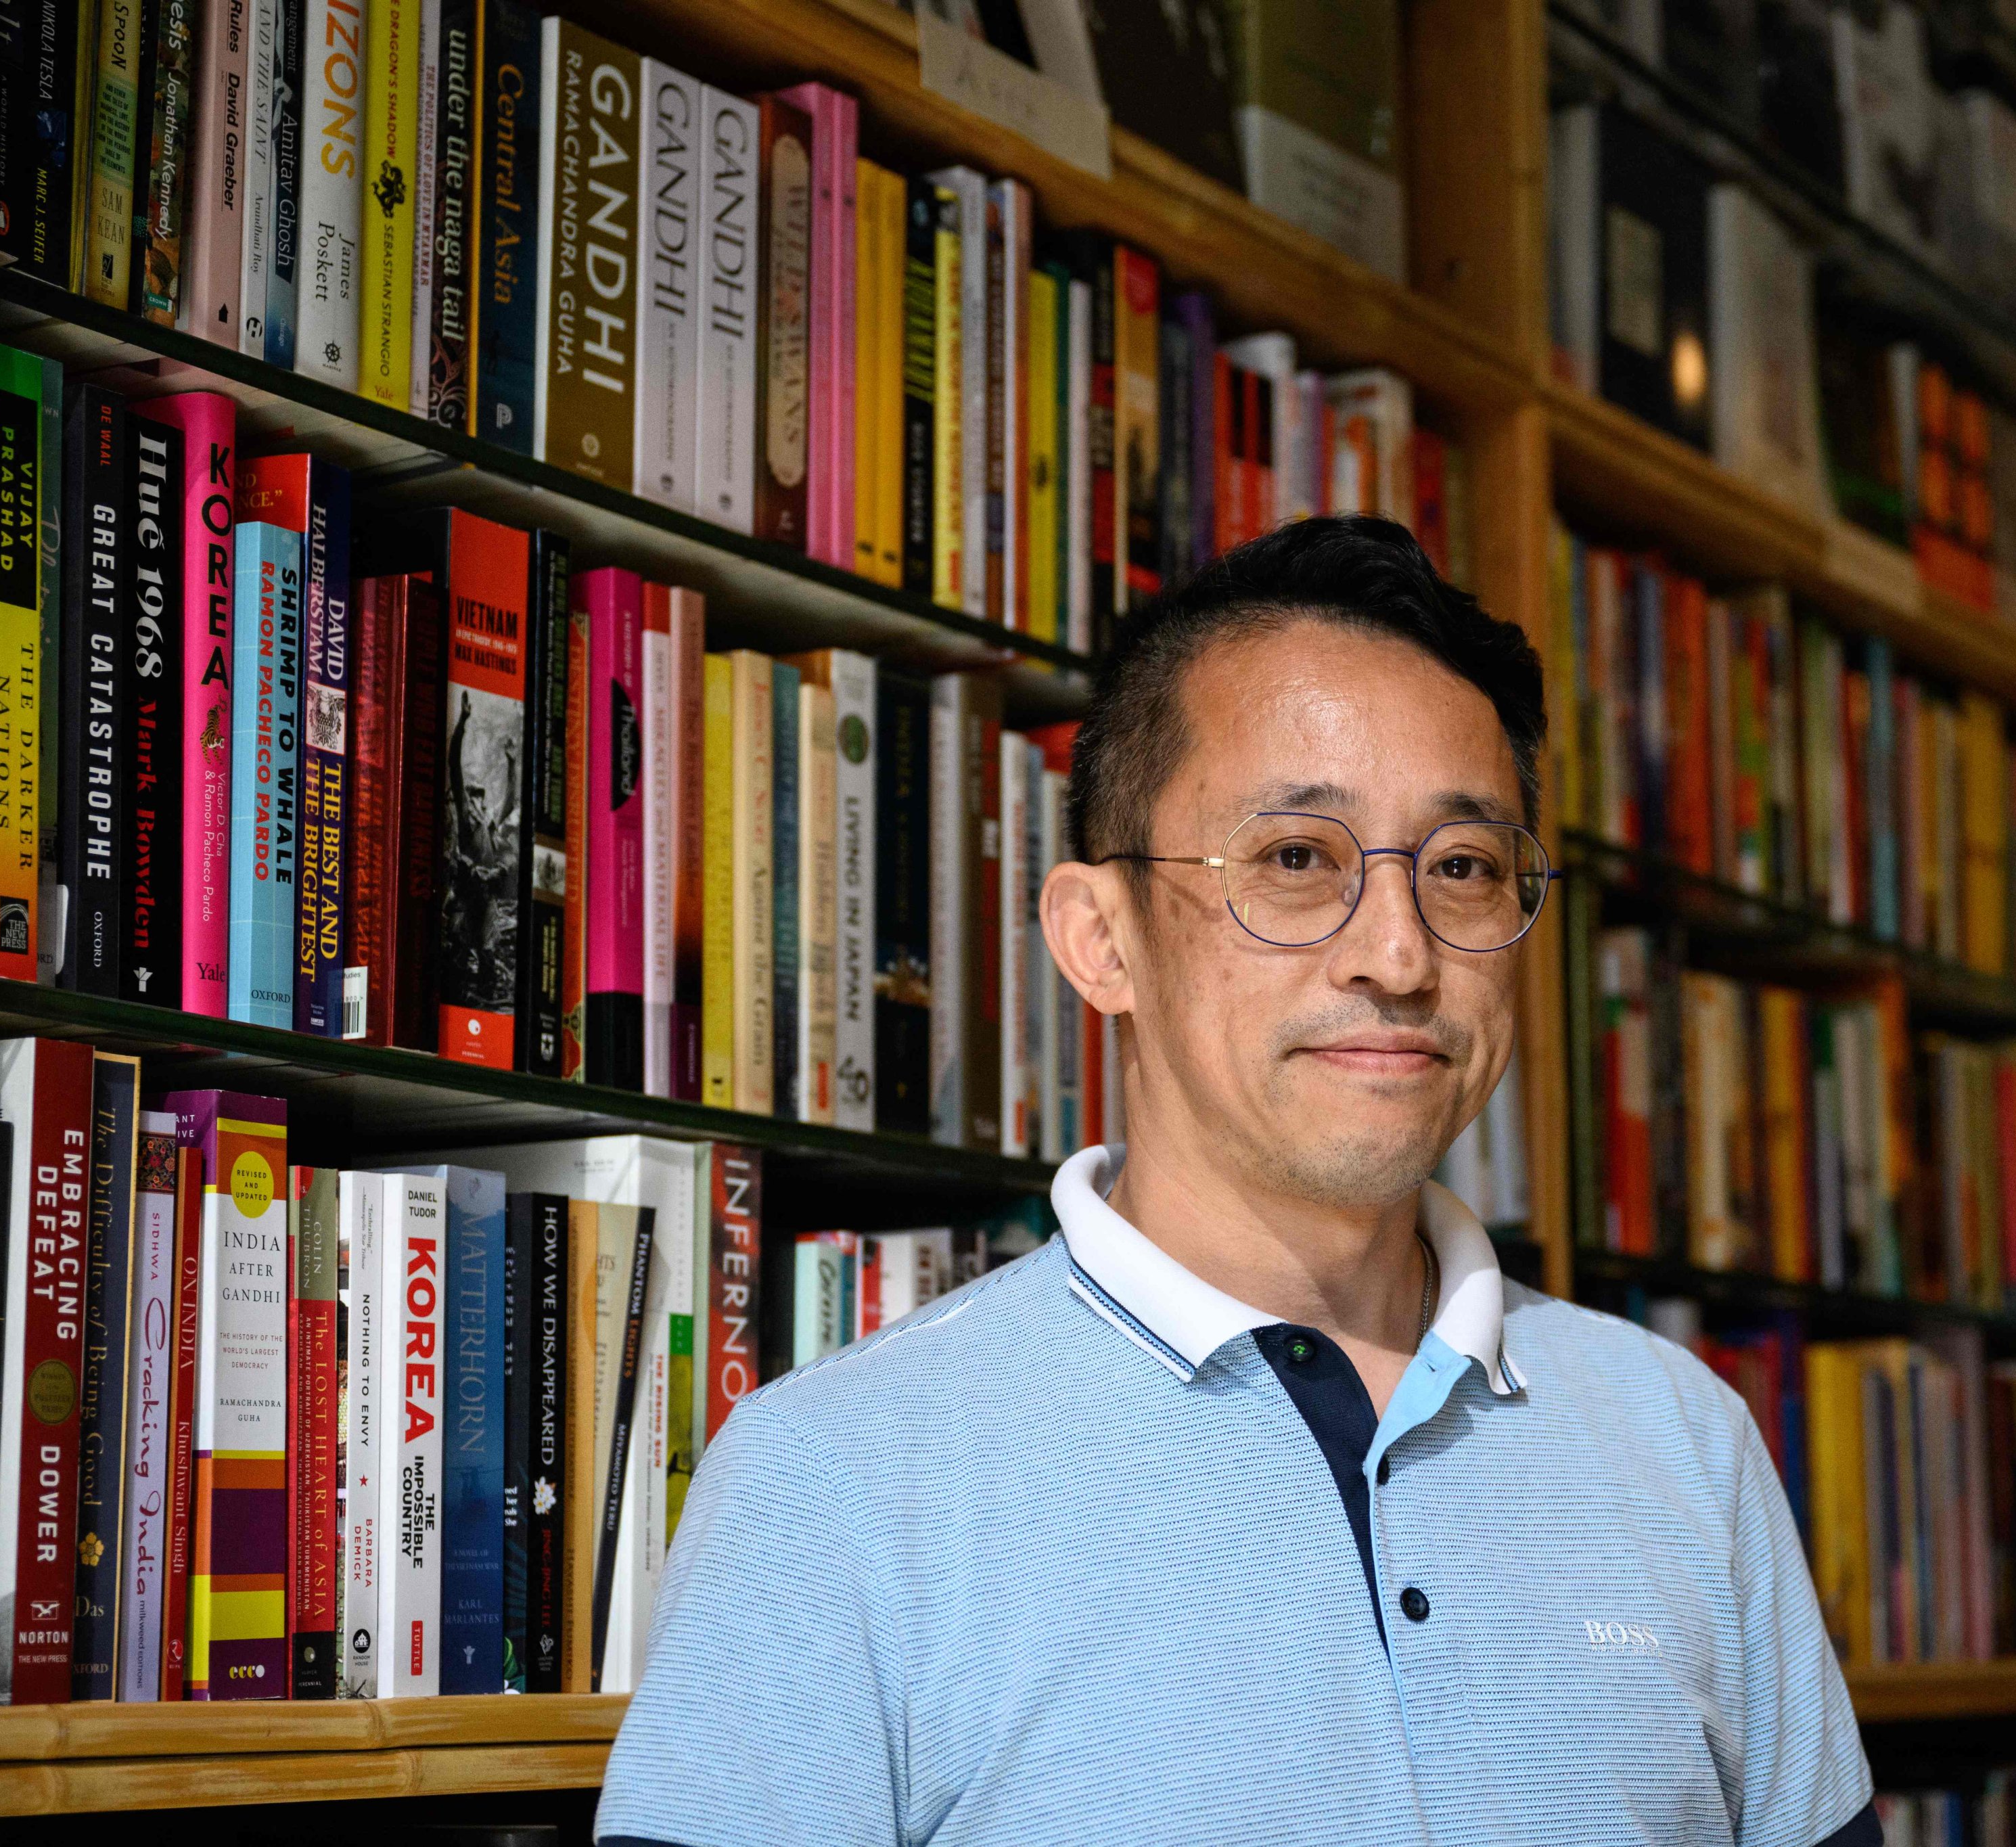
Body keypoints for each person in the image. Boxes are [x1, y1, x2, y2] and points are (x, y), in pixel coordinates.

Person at [596, 516, 1875, 1847]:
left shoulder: (1682, 1436)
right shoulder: (832, 1480)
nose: (1397, 952)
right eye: (1295, 859)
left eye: (1462, 870)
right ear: (1101, 942)